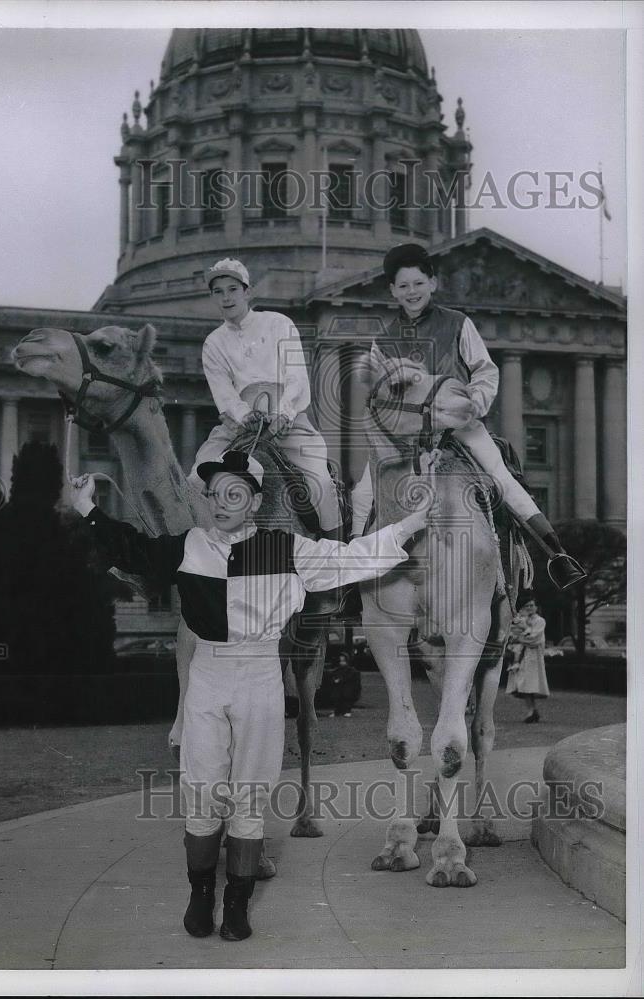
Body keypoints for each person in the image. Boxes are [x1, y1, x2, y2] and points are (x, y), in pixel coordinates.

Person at [71, 450, 432, 942]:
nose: (220, 503)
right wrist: (88, 509)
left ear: (255, 501)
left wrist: (412, 522)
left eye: (233, 493)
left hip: (261, 674)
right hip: (207, 675)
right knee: (201, 792)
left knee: (249, 796)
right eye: (214, 494)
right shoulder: (189, 546)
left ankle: (237, 907)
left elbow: (353, 557)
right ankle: (201, 896)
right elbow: (128, 548)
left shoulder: (287, 549)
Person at [350, 243, 586, 591]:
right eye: (403, 286)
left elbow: (485, 371)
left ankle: (557, 556)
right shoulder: (383, 341)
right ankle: (353, 569)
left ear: (432, 283)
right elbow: (377, 395)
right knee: (362, 493)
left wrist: (474, 401)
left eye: (417, 283)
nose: (411, 292)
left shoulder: (459, 324)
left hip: (456, 424)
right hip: (408, 433)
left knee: (501, 478)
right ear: (392, 291)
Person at [188, 258, 343, 539]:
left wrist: (283, 412)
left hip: (288, 420)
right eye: (218, 291)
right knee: (194, 480)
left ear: (247, 292)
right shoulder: (213, 343)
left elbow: (296, 376)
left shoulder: (278, 323)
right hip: (238, 425)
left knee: (321, 481)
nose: (226, 297)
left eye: (232, 289)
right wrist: (244, 414)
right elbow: (223, 392)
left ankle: (336, 554)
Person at [505, 594, 549, 722]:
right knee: (523, 684)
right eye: (527, 606)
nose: (530, 608)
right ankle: (532, 711)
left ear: (536, 607)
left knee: (528, 683)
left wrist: (520, 638)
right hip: (522, 655)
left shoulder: (540, 621)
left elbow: (534, 639)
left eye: (532, 605)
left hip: (533, 656)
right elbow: (514, 633)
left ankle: (532, 711)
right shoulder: (523, 620)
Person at [322, 650, 361, 718]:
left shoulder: (351, 671)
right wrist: (335, 680)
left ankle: (347, 711)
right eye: (340, 661)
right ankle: (337, 711)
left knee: (346, 698)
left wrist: (340, 680)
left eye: (343, 661)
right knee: (337, 698)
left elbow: (350, 678)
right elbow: (333, 675)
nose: (341, 663)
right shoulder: (338, 670)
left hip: (347, 688)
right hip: (339, 689)